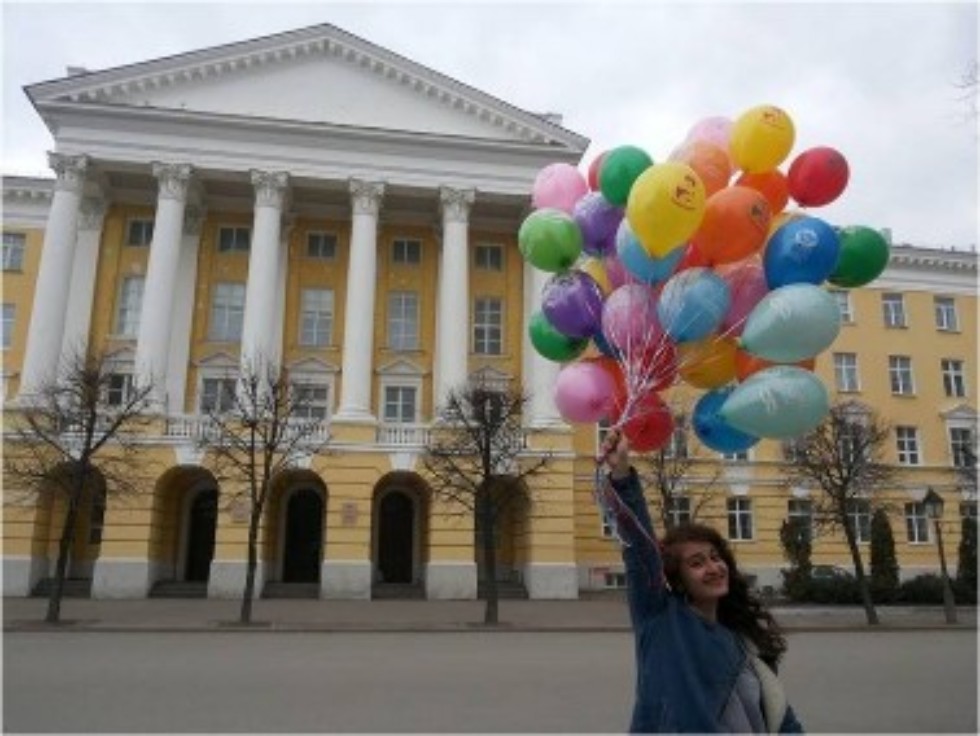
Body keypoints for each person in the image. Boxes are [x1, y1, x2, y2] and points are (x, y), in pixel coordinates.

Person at [599, 429, 804, 733]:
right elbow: (639, 549)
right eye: (696, 563)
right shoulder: (661, 619)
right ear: (678, 579)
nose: (713, 567)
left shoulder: (742, 638)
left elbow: (779, 718)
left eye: (715, 557)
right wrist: (621, 475)